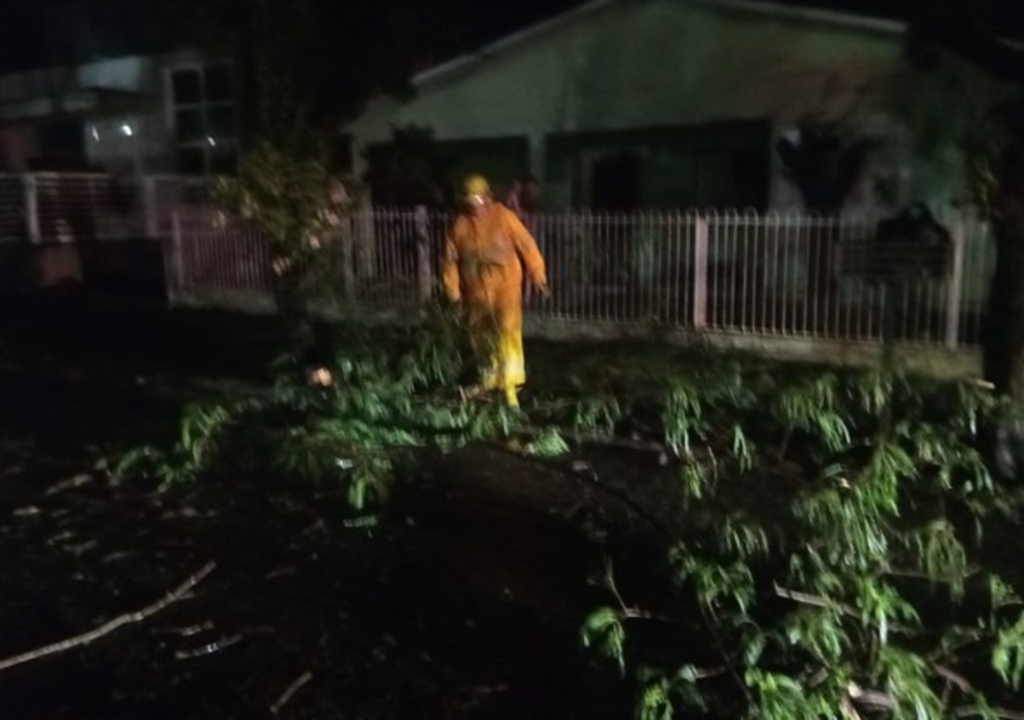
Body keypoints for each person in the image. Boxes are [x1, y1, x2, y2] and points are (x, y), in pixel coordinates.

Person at [443, 174, 548, 408]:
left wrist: (537, 272)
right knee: (481, 336)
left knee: (507, 333)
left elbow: (526, 244)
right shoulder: (460, 225)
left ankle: (510, 386)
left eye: (478, 200)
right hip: (476, 293)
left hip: (506, 289)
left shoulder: (504, 217)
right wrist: (453, 292)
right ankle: (489, 380)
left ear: (487, 198)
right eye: (470, 201)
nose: (475, 206)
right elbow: (450, 261)